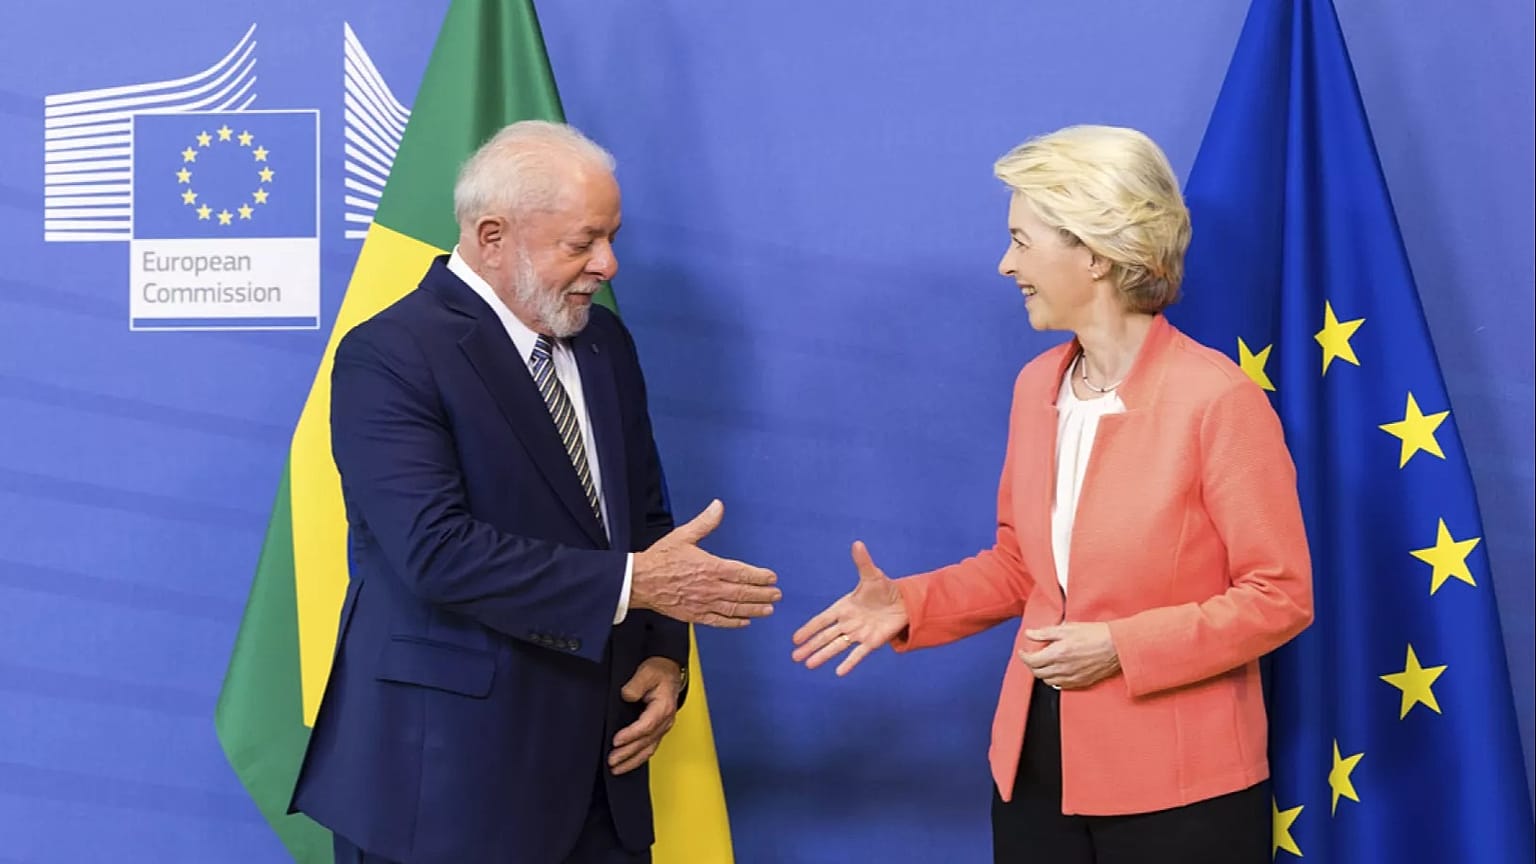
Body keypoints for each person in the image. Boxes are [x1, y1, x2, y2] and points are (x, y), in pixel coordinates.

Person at [791, 125, 1314, 864]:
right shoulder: (1037, 385)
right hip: (1036, 766)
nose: (1007, 265)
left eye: (1022, 240)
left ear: (1095, 252)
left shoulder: (1217, 400)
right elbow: (1021, 567)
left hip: (1183, 789)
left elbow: (1279, 594)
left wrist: (1122, 647)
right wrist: (911, 603)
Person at [291, 120, 781, 864]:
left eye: (612, 237)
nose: (608, 264)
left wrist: (660, 654)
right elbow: (435, 551)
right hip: (446, 788)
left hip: (602, 783)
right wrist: (638, 585)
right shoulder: (390, 353)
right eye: (581, 243)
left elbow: (641, 517)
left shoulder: (606, 345)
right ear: (492, 235)